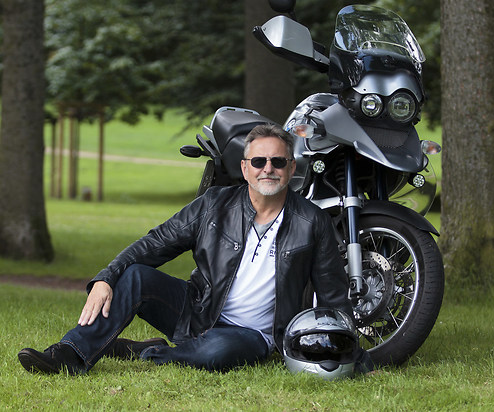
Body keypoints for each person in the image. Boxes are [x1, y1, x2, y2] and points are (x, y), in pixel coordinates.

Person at [18, 124, 370, 375]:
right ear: (244, 167)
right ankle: (70, 354)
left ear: (291, 168)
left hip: (254, 335)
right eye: (259, 162)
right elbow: (155, 243)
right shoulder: (214, 204)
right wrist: (106, 278)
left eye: (278, 162)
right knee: (136, 276)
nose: (268, 169)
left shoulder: (312, 221)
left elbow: (333, 295)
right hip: (197, 311)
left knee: (218, 351)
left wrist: (359, 358)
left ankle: (150, 352)